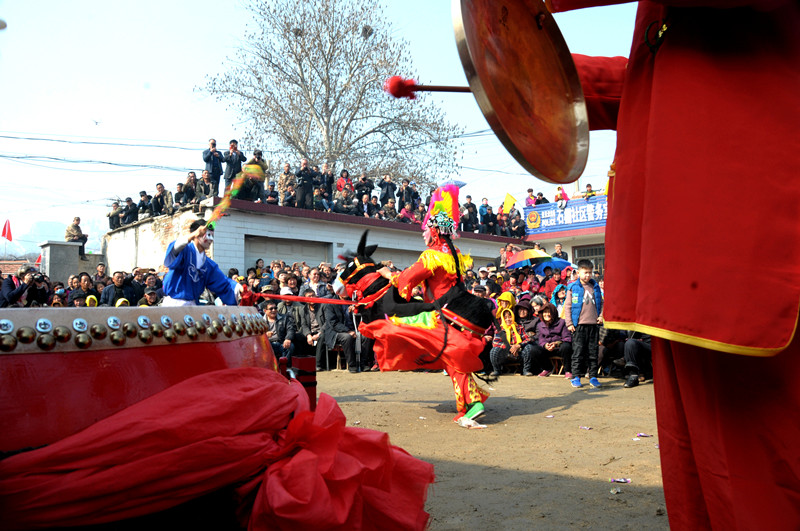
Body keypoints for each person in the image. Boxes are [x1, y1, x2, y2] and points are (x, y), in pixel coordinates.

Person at [546, 1, 800, 526]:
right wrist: (543, 74)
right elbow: (665, 76)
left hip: (748, 241)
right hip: (681, 264)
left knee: (762, 487)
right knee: (703, 486)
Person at [358, 185, 492, 423]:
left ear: (434, 231)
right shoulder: (454, 253)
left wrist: (388, 273)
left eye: (425, 229)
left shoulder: (431, 255)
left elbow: (407, 279)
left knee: (395, 327)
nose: (422, 234)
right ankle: (472, 400)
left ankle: (472, 403)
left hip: (445, 313)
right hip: (458, 310)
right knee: (452, 357)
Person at [161, 219, 239, 306]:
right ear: (197, 235)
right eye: (208, 235)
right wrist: (192, 235)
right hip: (173, 304)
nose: (211, 240)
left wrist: (238, 289)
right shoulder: (185, 251)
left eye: (212, 236)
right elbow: (174, 250)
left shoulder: (209, 265)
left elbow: (223, 284)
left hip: (193, 305)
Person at [563, 259, 603, 388]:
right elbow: (567, 306)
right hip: (578, 325)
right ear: (578, 272)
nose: (588, 275)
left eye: (590, 272)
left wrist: (601, 315)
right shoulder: (572, 287)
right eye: (585, 272)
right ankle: (575, 377)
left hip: (593, 325)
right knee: (578, 352)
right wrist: (569, 323)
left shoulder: (595, 287)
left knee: (593, 352)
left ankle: (593, 376)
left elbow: (602, 304)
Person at [489, 308, 535, 377]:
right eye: (505, 317)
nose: (508, 319)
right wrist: (509, 347)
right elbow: (496, 342)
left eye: (510, 317)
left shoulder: (519, 328)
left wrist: (519, 345)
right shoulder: (500, 329)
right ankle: (497, 370)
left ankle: (526, 370)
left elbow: (528, 339)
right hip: (505, 354)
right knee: (494, 350)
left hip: (519, 353)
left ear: (513, 317)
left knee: (529, 347)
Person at [533, 303, 573, 377]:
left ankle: (567, 370)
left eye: (549, 312)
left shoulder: (562, 322)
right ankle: (547, 368)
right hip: (548, 348)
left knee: (566, 347)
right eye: (545, 312)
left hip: (559, 347)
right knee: (534, 349)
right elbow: (541, 339)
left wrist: (556, 343)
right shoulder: (540, 325)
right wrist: (545, 345)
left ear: (553, 312)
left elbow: (567, 337)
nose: (547, 314)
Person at [263, 301, 296, 366]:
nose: (274, 310)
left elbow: (291, 329)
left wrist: (288, 338)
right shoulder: (260, 320)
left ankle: (285, 367)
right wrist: (265, 335)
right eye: (271, 309)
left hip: (281, 342)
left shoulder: (285, 318)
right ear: (265, 311)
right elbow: (257, 334)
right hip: (268, 344)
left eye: (275, 308)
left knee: (290, 346)